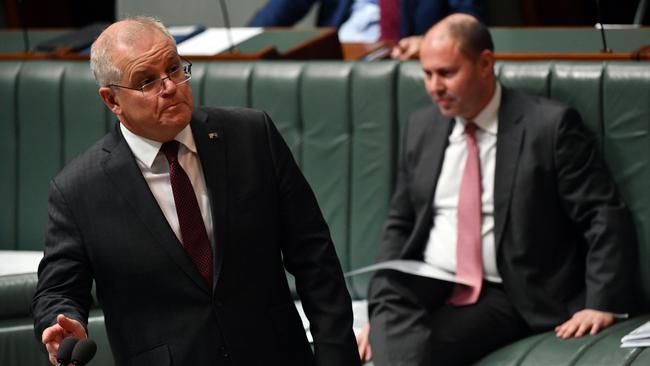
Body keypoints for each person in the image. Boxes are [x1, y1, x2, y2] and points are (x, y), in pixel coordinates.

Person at [31, 16, 361, 366]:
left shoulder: (251, 137)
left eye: (173, 69)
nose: (170, 86)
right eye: (146, 81)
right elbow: (58, 290)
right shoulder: (79, 189)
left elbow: (316, 258)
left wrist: (336, 356)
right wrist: (61, 322)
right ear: (112, 100)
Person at [356, 13, 638, 365]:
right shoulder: (422, 127)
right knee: (386, 288)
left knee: (421, 348)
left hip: (506, 289)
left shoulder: (548, 126)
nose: (434, 87)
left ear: (485, 63)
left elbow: (602, 214)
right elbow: (399, 221)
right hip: (429, 280)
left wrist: (602, 302)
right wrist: (380, 321)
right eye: (427, 74)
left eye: (446, 73)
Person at [248, 0, 485, 43]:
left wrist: (427, 43)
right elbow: (279, 12)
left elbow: (468, 20)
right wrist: (242, 38)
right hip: (340, 59)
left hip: (407, 59)